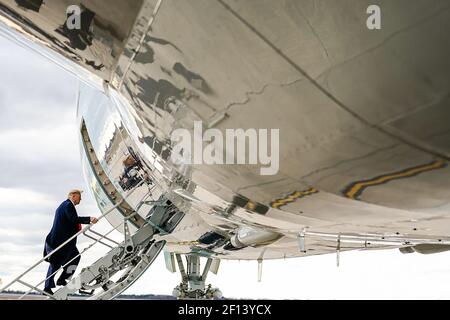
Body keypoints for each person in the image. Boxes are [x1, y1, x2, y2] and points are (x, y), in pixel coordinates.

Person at [43, 189, 98, 295]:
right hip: (59, 242)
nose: (80, 200)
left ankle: (62, 279)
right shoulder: (68, 205)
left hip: (65, 242)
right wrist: (89, 219)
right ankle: (47, 288)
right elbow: (73, 219)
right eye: (79, 197)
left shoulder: (64, 205)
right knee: (55, 264)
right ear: (73, 196)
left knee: (75, 257)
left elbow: (70, 222)